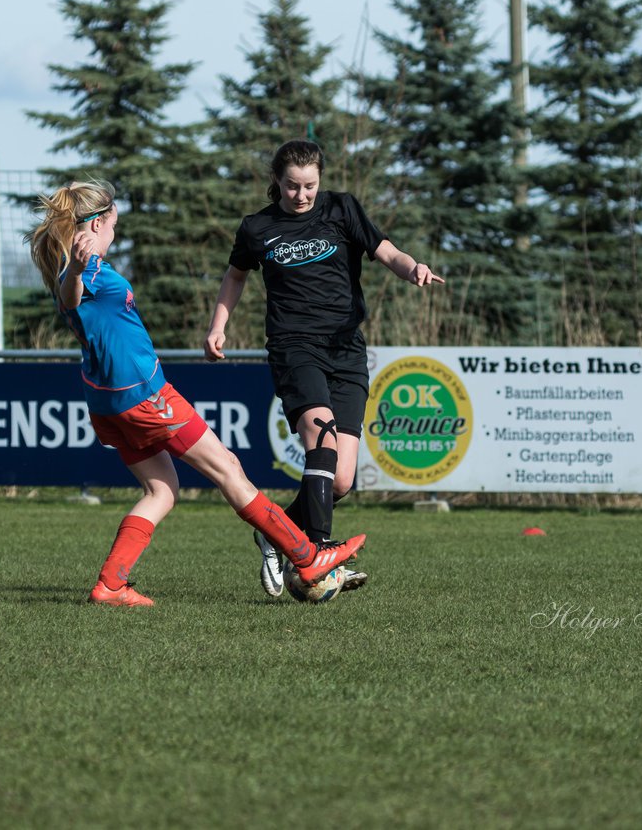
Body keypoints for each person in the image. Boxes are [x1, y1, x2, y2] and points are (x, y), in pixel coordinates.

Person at [26, 180, 365, 607]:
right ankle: (308, 556)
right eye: (113, 222)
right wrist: (76, 270)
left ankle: (111, 584)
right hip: (145, 397)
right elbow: (71, 297)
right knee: (228, 469)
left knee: (162, 491)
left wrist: (75, 247)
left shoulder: (80, 266)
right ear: (95, 224)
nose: (116, 230)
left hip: (108, 403)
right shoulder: (83, 269)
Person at [204, 139, 444, 598]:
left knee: (344, 479)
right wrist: (219, 325)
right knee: (323, 436)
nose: (301, 195)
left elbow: (386, 250)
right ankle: (315, 552)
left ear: (320, 181)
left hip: (346, 350)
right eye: (292, 186)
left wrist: (413, 267)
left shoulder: (341, 209)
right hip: (295, 349)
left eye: (309, 186)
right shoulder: (258, 227)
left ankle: (275, 533)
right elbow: (235, 275)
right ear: (276, 182)